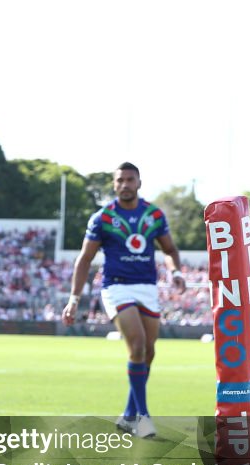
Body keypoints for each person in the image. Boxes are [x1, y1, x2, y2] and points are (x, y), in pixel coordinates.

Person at [62, 162, 185, 438]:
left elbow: (170, 249)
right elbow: (85, 259)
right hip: (116, 288)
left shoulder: (154, 215)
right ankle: (143, 417)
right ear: (114, 185)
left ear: (139, 183)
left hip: (147, 288)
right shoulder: (102, 218)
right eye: (120, 180)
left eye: (130, 180)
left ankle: (128, 414)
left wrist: (175, 271)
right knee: (138, 344)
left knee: (148, 353)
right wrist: (74, 299)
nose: (125, 184)